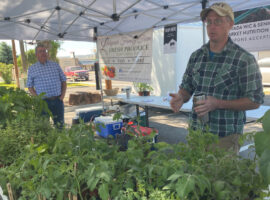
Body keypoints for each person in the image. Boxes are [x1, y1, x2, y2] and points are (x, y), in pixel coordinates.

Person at [170, 2, 264, 152]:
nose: (212, 27)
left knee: (219, 176)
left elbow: (255, 101)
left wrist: (217, 103)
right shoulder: (197, 56)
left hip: (224, 137)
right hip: (196, 132)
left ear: (230, 24)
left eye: (218, 21)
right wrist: (181, 97)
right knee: (194, 174)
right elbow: (187, 87)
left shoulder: (244, 59)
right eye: (209, 22)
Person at [27, 44, 67, 128]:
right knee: (44, 128)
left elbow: (63, 80)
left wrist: (62, 96)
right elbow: (30, 86)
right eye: (40, 51)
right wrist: (38, 99)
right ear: (36, 55)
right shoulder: (32, 68)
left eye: (44, 51)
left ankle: (60, 141)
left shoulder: (55, 65)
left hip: (57, 101)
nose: (43, 53)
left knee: (60, 126)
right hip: (43, 103)